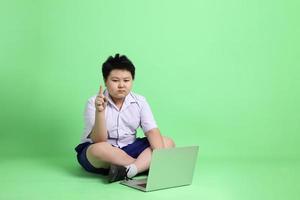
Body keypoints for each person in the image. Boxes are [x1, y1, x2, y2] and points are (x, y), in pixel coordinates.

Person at [75, 54, 175, 183]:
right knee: (98, 149)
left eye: (126, 80)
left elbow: (151, 131)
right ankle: (143, 166)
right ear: (106, 80)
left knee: (167, 142)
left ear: (132, 80)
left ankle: (129, 170)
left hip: (129, 147)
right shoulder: (93, 102)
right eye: (115, 80)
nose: (121, 85)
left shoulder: (140, 101)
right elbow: (99, 139)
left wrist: (161, 158)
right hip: (102, 152)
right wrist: (100, 111)